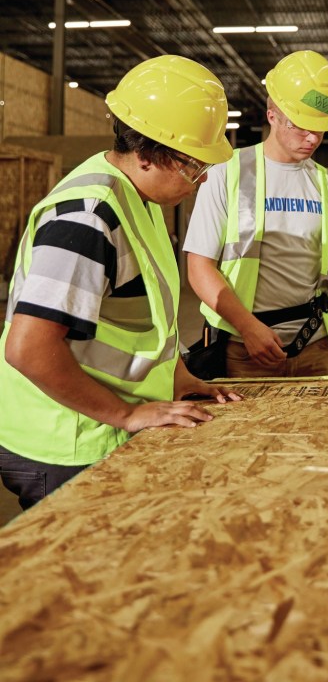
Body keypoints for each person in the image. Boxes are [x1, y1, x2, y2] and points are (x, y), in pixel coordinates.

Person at [0, 55, 242, 510]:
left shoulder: (140, 196)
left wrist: (179, 377)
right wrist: (127, 414)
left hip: (96, 421)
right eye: (194, 165)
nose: (204, 177)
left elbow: (138, 324)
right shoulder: (90, 218)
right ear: (148, 154)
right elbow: (27, 348)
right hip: (65, 438)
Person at [185, 49, 328, 378]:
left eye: (320, 128)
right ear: (272, 113)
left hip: (317, 351)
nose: (313, 138)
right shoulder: (226, 174)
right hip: (244, 352)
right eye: (301, 126)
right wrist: (248, 328)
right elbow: (199, 268)